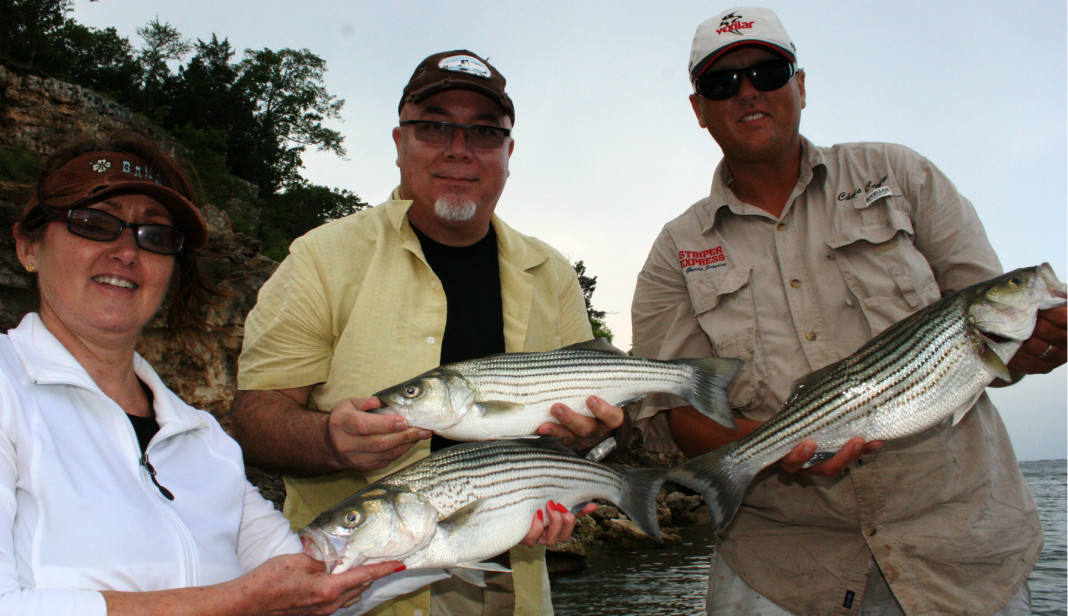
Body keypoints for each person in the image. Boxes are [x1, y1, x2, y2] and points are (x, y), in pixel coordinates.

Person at [630, 7, 1066, 616]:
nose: (748, 91)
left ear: (801, 85)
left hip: (961, 554)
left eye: (768, 71)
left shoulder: (901, 175)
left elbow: (1004, 343)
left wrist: (1045, 342)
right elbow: (672, 409)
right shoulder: (675, 250)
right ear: (699, 110)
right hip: (781, 568)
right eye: (721, 83)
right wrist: (768, 447)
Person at [230, 50, 624, 616]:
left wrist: (590, 440)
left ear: (508, 153)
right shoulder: (320, 258)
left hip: (507, 577)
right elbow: (253, 417)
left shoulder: (551, 272)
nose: (459, 148)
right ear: (399, 141)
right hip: (347, 588)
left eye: (484, 132)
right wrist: (327, 441)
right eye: (435, 125)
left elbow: (570, 436)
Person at [0, 130, 404, 615]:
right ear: (28, 246)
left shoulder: (204, 441)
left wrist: (486, 513)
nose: (126, 252)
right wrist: (239, 599)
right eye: (93, 223)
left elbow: (317, 588)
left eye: (155, 236)